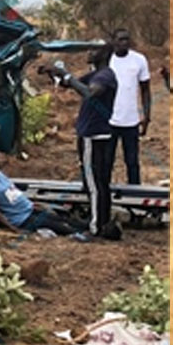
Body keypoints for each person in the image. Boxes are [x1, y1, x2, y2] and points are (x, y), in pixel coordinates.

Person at [43, 46, 121, 240]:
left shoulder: (104, 77)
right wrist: (55, 74)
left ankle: (94, 229)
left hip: (93, 136)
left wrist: (66, 76)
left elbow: (89, 93)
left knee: (94, 184)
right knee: (100, 183)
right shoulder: (98, 74)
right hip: (98, 134)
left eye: (92, 50)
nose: (88, 52)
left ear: (103, 54)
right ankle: (101, 222)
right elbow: (71, 85)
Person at [0, 147, 86, 238]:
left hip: (30, 209)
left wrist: (30, 203)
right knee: (60, 227)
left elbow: (13, 192)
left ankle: (90, 228)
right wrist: (12, 229)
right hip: (23, 219)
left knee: (63, 219)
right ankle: (86, 235)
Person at [106, 28, 152, 186]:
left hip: (131, 121)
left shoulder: (139, 60)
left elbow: (145, 90)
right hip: (109, 120)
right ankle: (103, 196)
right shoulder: (106, 60)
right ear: (113, 41)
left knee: (132, 162)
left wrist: (146, 116)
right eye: (120, 39)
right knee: (106, 162)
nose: (124, 43)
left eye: (126, 39)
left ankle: (135, 195)